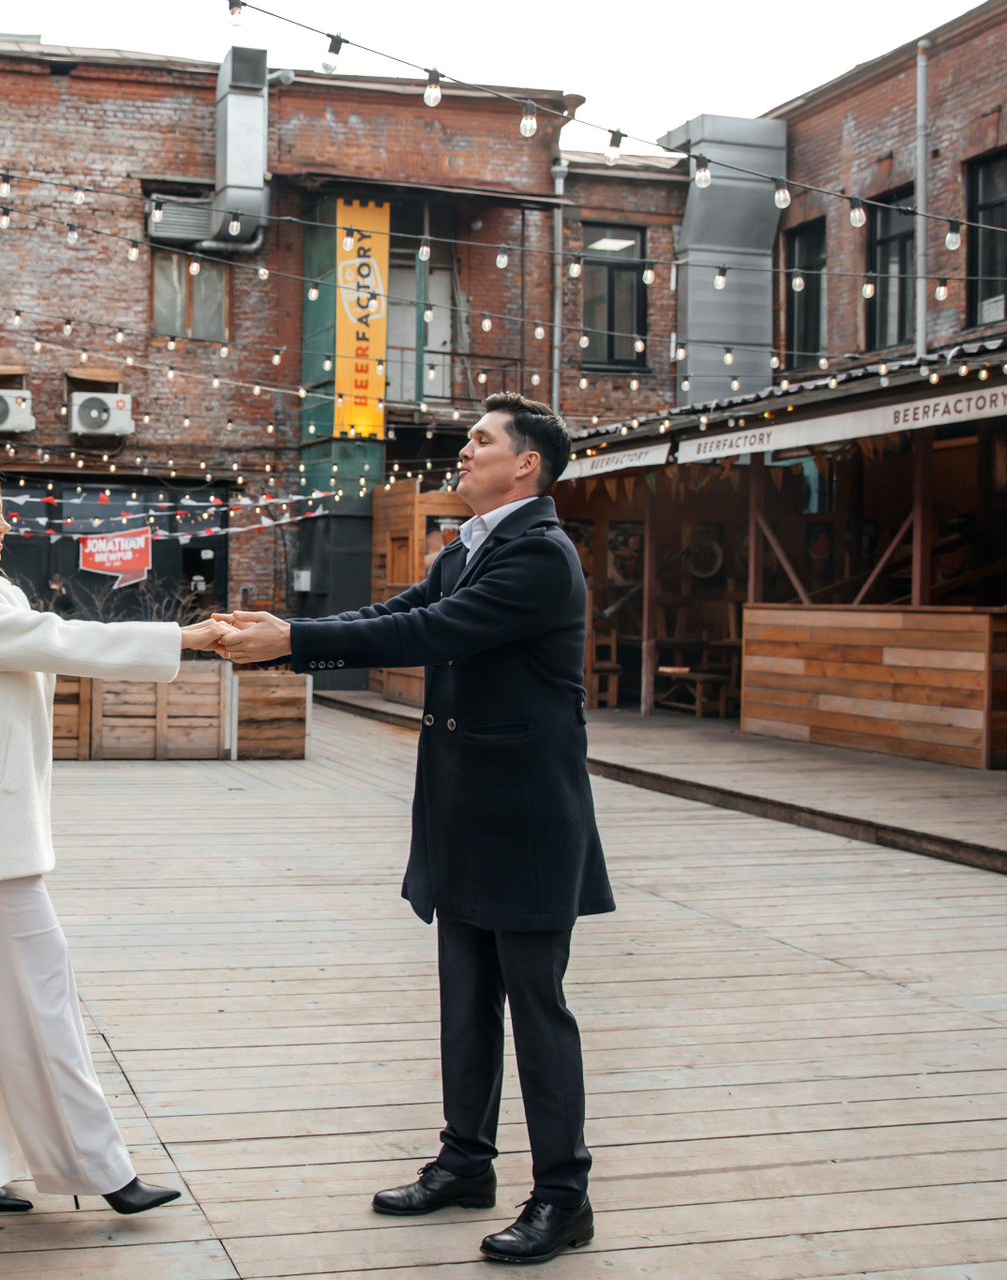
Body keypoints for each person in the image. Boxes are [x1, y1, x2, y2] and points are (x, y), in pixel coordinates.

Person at [214, 393, 612, 1266]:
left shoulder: (540, 555)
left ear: (528, 464)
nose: (463, 452)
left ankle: (564, 1197)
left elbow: (432, 631)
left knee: (538, 1010)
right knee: (465, 1000)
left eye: (482, 441)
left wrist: (291, 641)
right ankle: (466, 1163)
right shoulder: (469, 547)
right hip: (463, 812)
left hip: (529, 820)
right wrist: (285, 632)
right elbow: (388, 611)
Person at [0, 459, 233, 1215]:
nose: (7, 524)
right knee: (41, 992)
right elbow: (56, 639)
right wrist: (183, 637)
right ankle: (100, 1168)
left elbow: (42, 636)